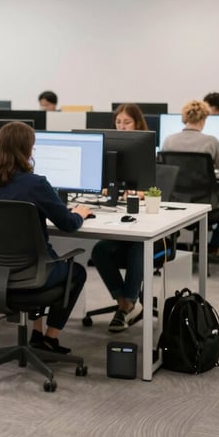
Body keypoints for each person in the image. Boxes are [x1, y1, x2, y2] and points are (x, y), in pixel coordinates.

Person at [0, 122, 89, 353]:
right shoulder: (36, 184)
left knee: (40, 260)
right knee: (77, 271)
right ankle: (50, 337)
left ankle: (37, 332)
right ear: (26, 150)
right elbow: (67, 224)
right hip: (32, 276)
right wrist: (79, 213)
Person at [91, 102, 149, 332]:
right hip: (117, 220)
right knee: (99, 250)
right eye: (118, 122)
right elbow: (101, 184)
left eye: (127, 122)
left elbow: (154, 190)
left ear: (137, 124)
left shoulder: (147, 150)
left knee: (139, 246)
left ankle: (128, 305)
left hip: (148, 229)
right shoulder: (108, 151)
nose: (122, 127)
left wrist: (140, 193)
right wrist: (107, 189)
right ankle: (125, 303)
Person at [162, 99, 219, 253]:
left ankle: (171, 248)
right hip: (205, 203)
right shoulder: (211, 142)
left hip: (176, 201)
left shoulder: (169, 140)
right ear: (203, 119)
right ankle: (213, 248)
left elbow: (165, 174)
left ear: (184, 118)